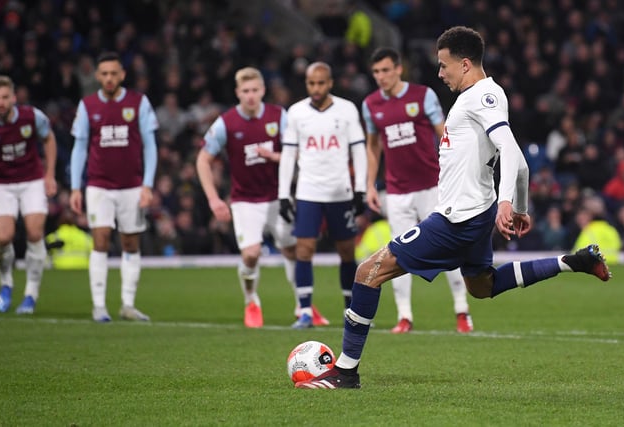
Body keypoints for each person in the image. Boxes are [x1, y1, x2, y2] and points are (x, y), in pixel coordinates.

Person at [295, 26, 611, 389]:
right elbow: (517, 163)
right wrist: (519, 205)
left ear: (464, 64)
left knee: (368, 271)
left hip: (457, 219)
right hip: (475, 213)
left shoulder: (482, 96)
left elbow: (513, 154)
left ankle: (346, 372)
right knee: (482, 285)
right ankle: (573, 261)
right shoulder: (482, 96)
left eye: (443, 65)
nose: (439, 73)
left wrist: (509, 202)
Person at [196, 67, 328, 328]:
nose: (250, 96)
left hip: (278, 197)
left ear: (263, 91)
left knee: (292, 250)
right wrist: (214, 199)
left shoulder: (279, 117)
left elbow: (300, 153)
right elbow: (203, 159)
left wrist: (274, 157)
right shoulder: (227, 122)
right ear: (237, 93)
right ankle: (251, 300)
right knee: (252, 255)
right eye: (245, 91)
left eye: (255, 90)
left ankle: (303, 305)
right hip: (245, 201)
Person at [362, 47, 472, 334]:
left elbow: (445, 134)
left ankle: (462, 311)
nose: (381, 77)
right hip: (397, 193)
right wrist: (370, 185)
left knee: (448, 248)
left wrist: (459, 170)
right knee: (399, 254)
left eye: (386, 70)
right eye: (376, 72)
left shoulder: (423, 96)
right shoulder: (371, 104)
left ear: (399, 69)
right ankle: (404, 316)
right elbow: (373, 147)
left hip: (433, 188)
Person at [70, 51, 158, 323]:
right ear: (98, 76)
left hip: (132, 186)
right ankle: (99, 306)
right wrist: (75, 187)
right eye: (104, 74)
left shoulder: (138, 102)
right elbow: (80, 147)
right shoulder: (87, 105)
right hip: (99, 185)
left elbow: (150, 145)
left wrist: (148, 184)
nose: (109, 78)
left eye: (113, 73)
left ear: (122, 75)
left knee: (131, 242)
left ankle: (127, 305)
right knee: (100, 239)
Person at [279, 62, 367, 329]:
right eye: (311, 83)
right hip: (308, 192)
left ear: (330, 83)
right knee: (304, 250)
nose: (315, 88)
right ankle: (305, 311)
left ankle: (350, 311)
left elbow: (359, 150)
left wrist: (360, 188)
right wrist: (284, 194)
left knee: (346, 252)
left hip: (340, 192)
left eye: (320, 83)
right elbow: (288, 155)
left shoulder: (347, 109)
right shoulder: (295, 113)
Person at [0, 75, 57, 314]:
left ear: (14, 98)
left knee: (34, 232)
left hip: (31, 179)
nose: (0, 102)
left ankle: (30, 294)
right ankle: (6, 282)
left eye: (4, 97)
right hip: (0, 183)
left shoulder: (32, 117)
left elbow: (48, 139)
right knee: (3, 237)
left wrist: (49, 175)